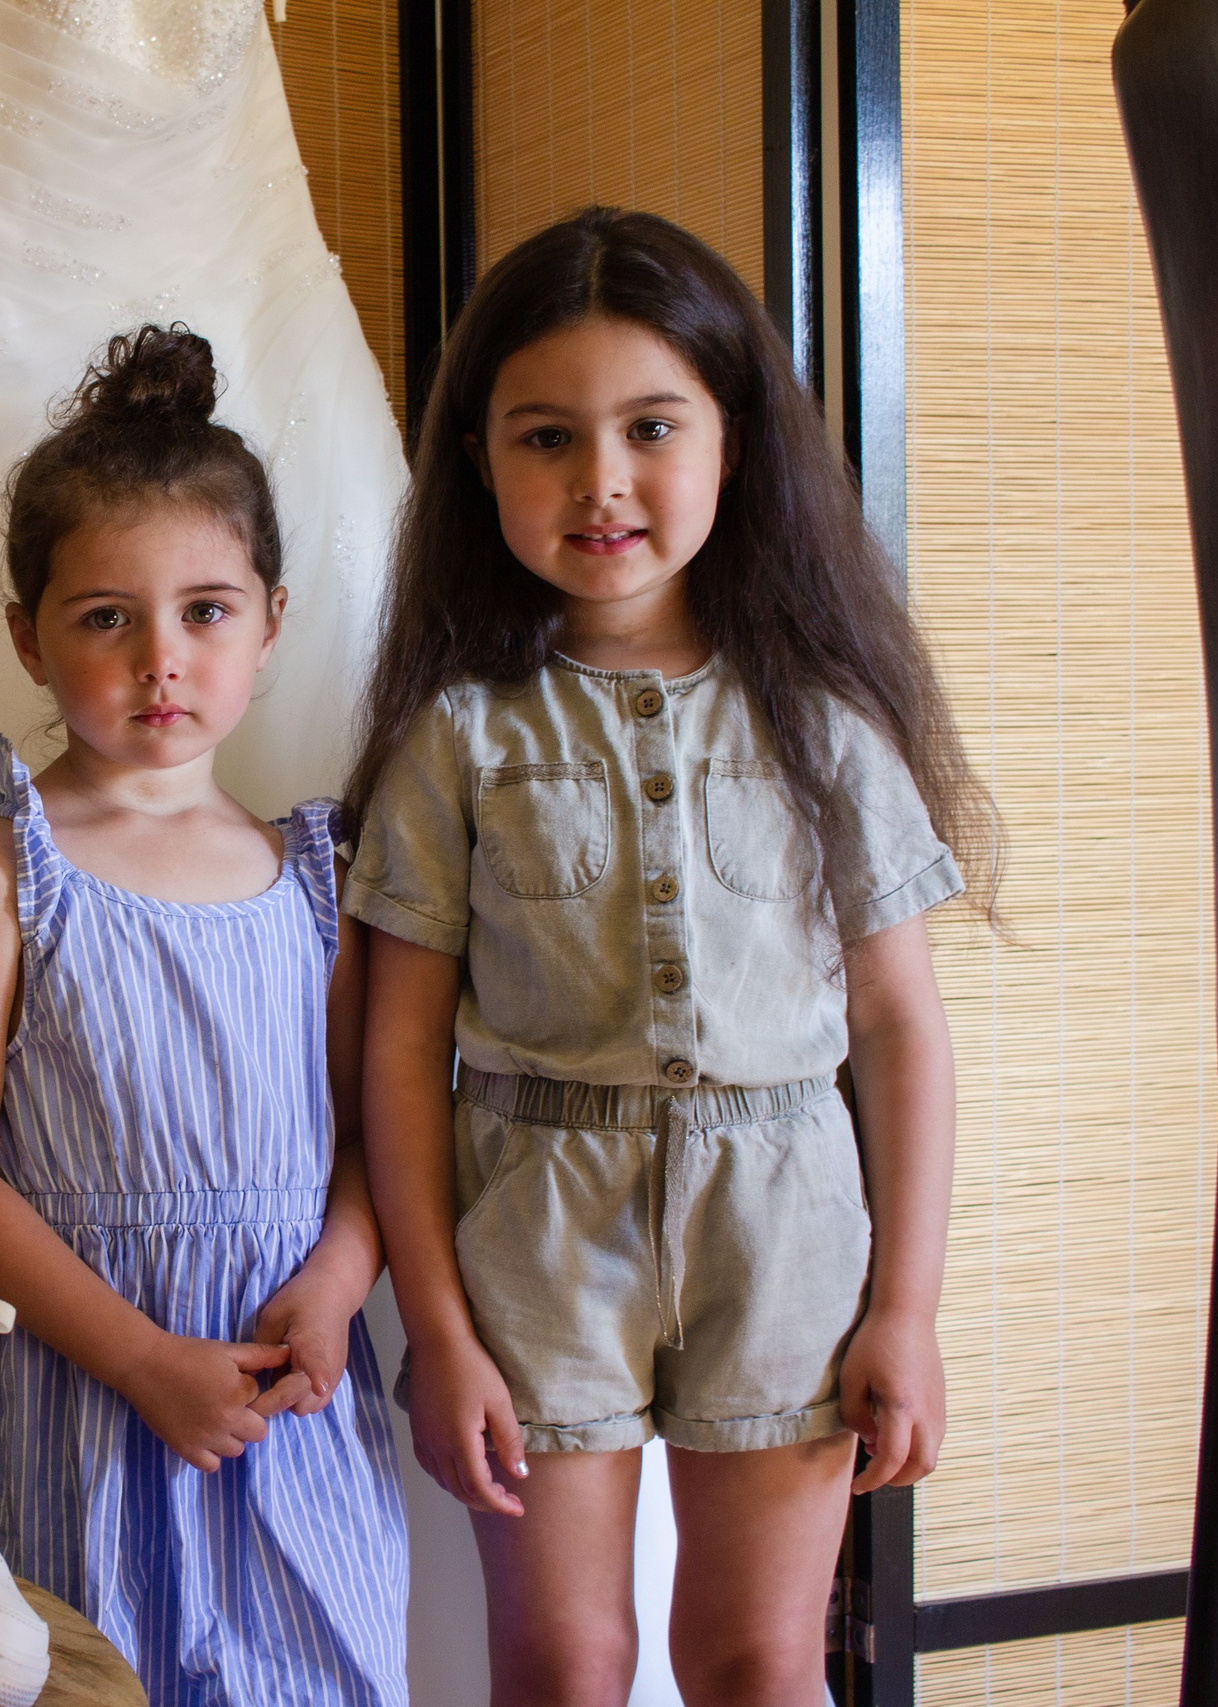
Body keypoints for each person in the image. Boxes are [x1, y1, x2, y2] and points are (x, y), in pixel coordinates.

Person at [346, 207, 1000, 1706]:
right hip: (539, 1239)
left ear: (734, 441)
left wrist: (905, 1310)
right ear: (479, 461)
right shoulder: (459, 738)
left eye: (651, 427)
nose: (602, 480)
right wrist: (438, 1331)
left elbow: (900, 1029)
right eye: (546, 437)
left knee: (756, 1659)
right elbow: (400, 1048)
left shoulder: (827, 727)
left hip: (787, 1234)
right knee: (564, 1661)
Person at [0, 324, 410, 1707]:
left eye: (206, 611)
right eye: (104, 618)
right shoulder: (6, 871)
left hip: (286, 1403)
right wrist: (140, 1361)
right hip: (83, 1395)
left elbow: (367, 1141)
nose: (161, 660)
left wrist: (339, 1279)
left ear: (272, 621)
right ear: (29, 637)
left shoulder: (318, 880)